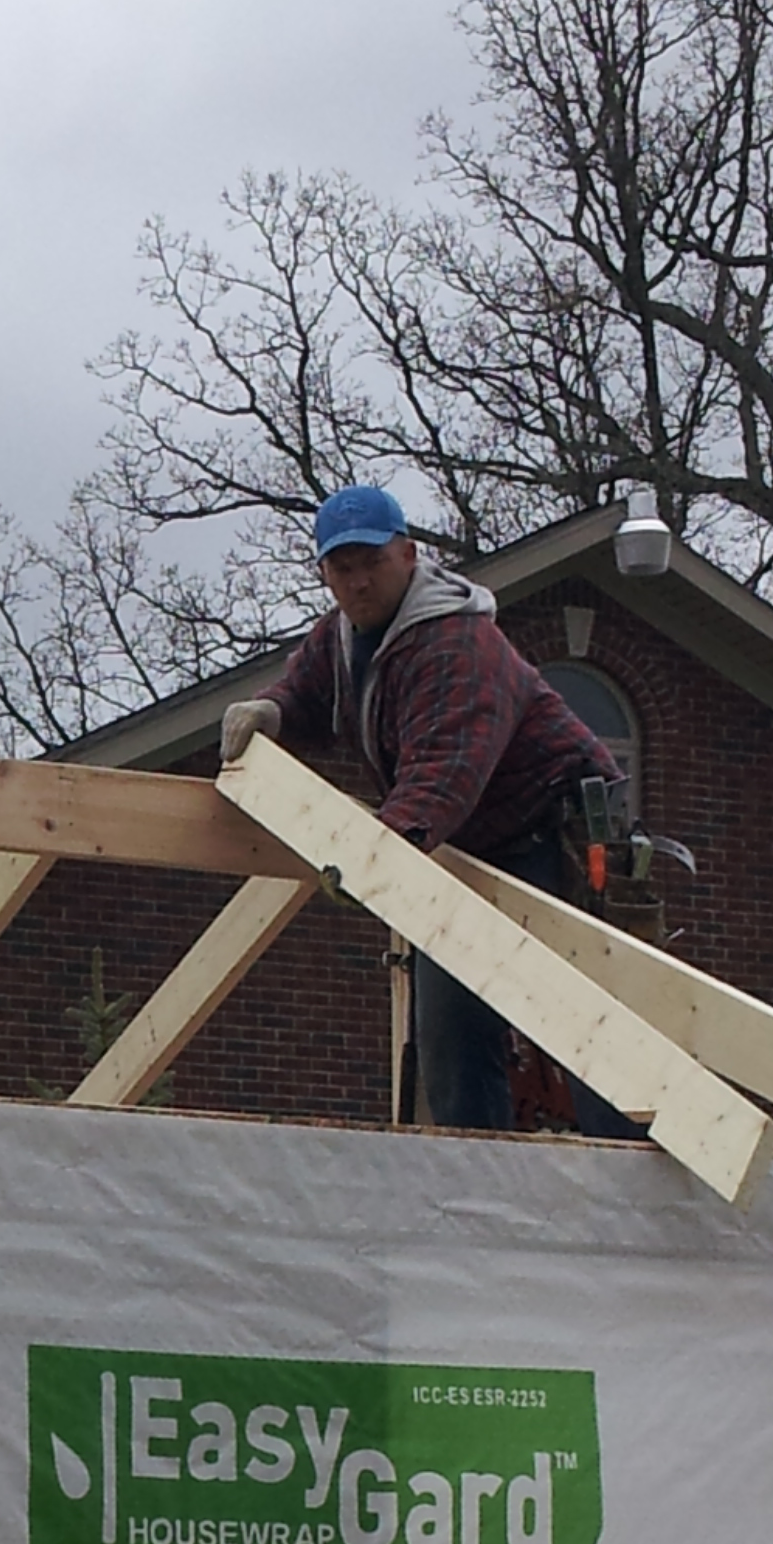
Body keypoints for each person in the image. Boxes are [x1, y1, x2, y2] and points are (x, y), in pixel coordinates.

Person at [221, 484, 637, 1136]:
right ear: (324, 572)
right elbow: (308, 692)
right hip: (458, 848)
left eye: (372, 563)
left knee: (583, 1029)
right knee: (450, 1038)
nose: (358, 582)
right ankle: (479, 1203)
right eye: (342, 568)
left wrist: (374, 854)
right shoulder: (343, 637)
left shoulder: (456, 643)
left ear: (409, 555)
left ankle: (634, 1206)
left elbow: (443, 773)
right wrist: (270, 711)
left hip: (552, 839)